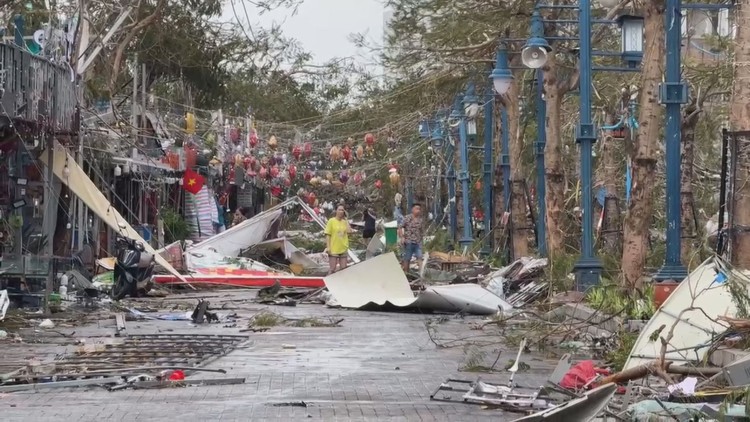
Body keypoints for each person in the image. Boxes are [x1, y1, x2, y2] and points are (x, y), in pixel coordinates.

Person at [324, 204, 353, 274]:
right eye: (339, 210)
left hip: (343, 247)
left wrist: (346, 220)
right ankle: (328, 282)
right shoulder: (331, 221)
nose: (341, 211)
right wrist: (328, 247)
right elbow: (328, 234)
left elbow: (349, 231)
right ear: (336, 211)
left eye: (342, 210)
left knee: (344, 269)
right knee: (332, 269)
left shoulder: (344, 222)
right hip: (334, 248)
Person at [398, 203, 425, 272]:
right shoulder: (407, 218)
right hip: (409, 242)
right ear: (412, 209)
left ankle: (422, 274)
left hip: (418, 242)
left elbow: (421, 231)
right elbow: (400, 227)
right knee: (407, 258)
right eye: (416, 209)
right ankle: (406, 274)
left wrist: (422, 241)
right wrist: (402, 237)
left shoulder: (420, 220)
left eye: (419, 209)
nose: (418, 210)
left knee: (420, 257)